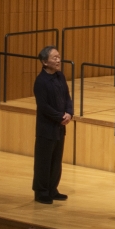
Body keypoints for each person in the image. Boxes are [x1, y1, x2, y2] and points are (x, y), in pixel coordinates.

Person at [32, 46, 73, 204]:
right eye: (54, 58)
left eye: (59, 57)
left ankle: (52, 189)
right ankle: (41, 192)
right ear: (44, 62)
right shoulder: (41, 81)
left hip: (59, 126)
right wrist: (60, 116)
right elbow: (43, 106)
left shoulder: (60, 76)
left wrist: (69, 113)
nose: (58, 60)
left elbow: (67, 97)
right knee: (43, 160)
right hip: (46, 128)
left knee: (56, 160)